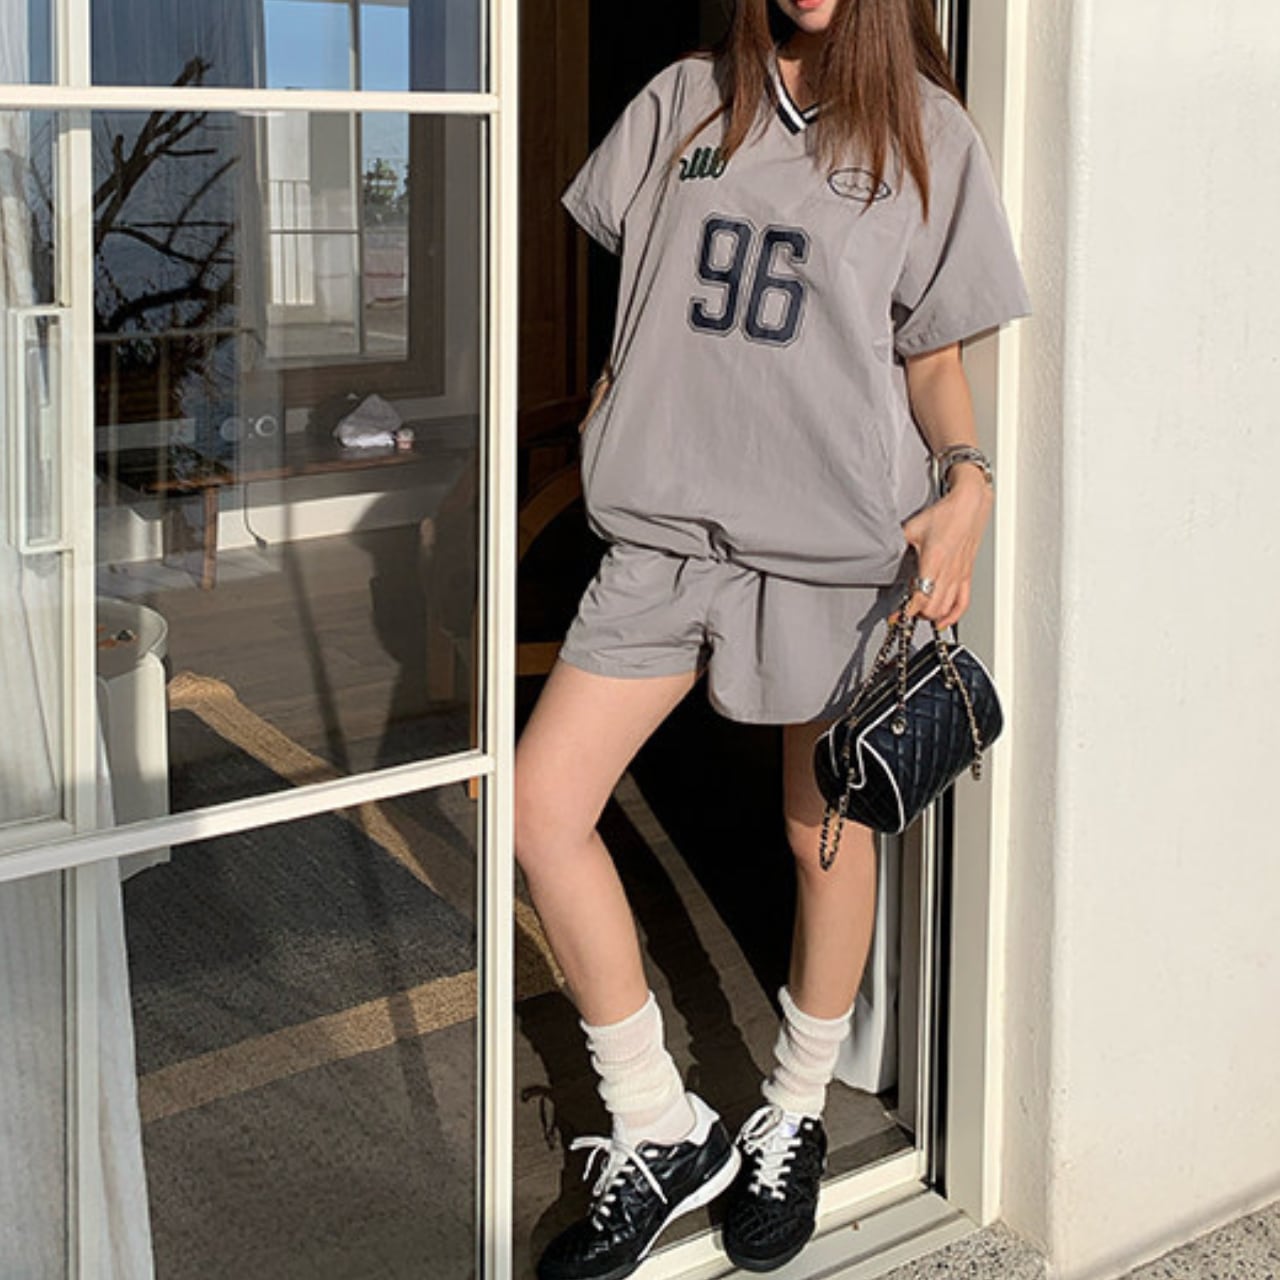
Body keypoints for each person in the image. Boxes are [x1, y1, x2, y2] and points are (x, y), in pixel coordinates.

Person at [514, 0, 1031, 1275]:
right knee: (539, 808)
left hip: (831, 550)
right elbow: (640, 298)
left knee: (820, 835)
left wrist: (966, 480)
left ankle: (793, 1107)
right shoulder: (679, 100)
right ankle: (655, 1119)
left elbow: (931, 359)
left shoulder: (926, 134)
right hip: (663, 534)